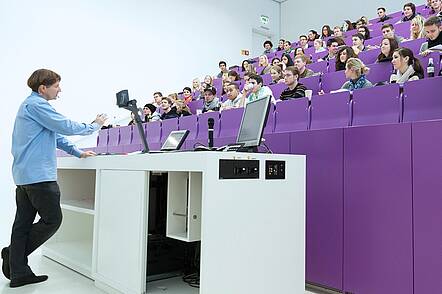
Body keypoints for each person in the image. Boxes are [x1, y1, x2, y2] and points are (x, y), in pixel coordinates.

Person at [3, 69, 107, 288]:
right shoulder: (37, 105)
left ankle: (19, 271)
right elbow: (66, 126)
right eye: (56, 85)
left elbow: (56, 136)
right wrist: (95, 125)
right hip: (39, 177)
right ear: (43, 88)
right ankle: (13, 256)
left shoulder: (29, 107)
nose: (60, 90)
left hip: (24, 176)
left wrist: (79, 153)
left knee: (22, 224)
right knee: (53, 220)